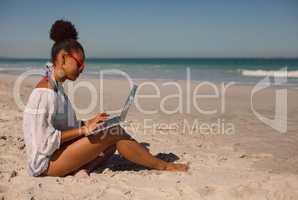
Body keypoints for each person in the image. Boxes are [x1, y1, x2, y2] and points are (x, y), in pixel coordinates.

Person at [23, 19, 188, 177]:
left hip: (57, 153)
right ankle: (163, 166)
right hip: (45, 165)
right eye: (79, 63)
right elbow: (43, 142)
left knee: (109, 139)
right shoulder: (44, 93)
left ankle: (83, 169)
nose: (82, 69)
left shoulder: (56, 87)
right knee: (114, 133)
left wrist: (87, 124)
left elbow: (60, 126)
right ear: (63, 58)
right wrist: (83, 130)